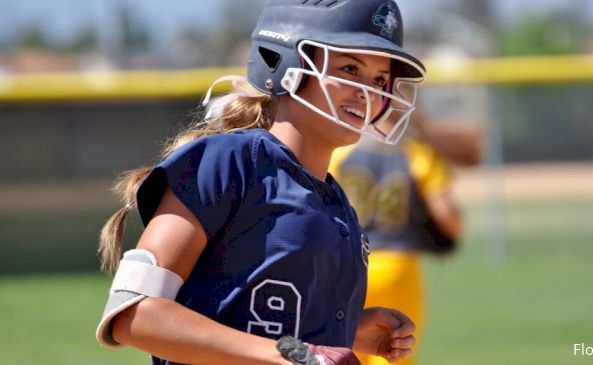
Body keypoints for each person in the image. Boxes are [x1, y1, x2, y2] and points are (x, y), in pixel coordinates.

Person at [95, 1, 426, 364]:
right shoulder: (229, 161)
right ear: (286, 63)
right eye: (350, 68)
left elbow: (256, 316)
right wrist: (294, 355)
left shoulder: (338, 204)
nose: (367, 92)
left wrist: (351, 328)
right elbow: (133, 313)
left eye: (380, 80)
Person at [329, 111, 481, 365]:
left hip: (349, 268)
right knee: (393, 354)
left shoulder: (342, 153)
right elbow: (447, 217)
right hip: (397, 267)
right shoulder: (416, 153)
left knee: (348, 352)